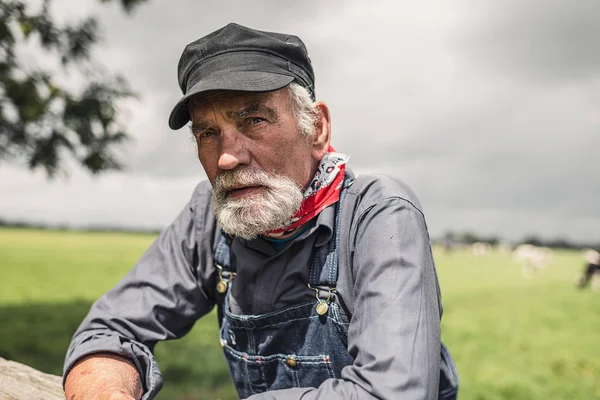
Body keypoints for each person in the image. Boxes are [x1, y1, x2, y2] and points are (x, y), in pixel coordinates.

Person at [63, 23, 459, 400]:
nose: (227, 158)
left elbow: (394, 392)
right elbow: (109, 329)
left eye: (254, 120)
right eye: (208, 133)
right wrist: (107, 388)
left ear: (316, 128)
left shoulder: (377, 214)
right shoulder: (210, 215)